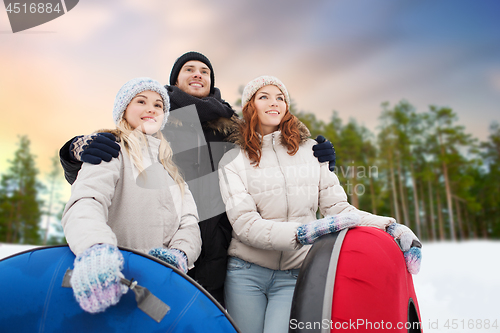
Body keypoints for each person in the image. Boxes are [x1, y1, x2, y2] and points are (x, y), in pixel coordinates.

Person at [58, 52, 337, 306]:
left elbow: (272, 155)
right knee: (158, 313)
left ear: (211, 81)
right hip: (160, 243)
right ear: (175, 80)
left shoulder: (234, 127)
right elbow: (105, 170)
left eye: (204, 70)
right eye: (189, 69)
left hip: (221, 245)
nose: (197, 74)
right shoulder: (158, 120)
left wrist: (314, 155)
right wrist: (74, 151)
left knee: (205, 317)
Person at [218, 76, 422, 333]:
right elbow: (245, 224)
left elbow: (338, 209)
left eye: (280, 97)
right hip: (245, 273)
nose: (274, 103)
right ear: (250, 106)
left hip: (294, 273)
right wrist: (301, 233)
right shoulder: (232, 160)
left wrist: (390, 227)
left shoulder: (311, 152)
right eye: (264, 97)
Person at [61, 77, 202, 314]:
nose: (151, 108)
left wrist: (179, 254)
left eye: (158, 105)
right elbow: (86, 201)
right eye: (141, 101)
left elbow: (189, 222)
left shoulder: (172, 170)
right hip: (109, 279)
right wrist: (95, 248)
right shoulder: (110, 150)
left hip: (157, 290)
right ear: (124, 110)